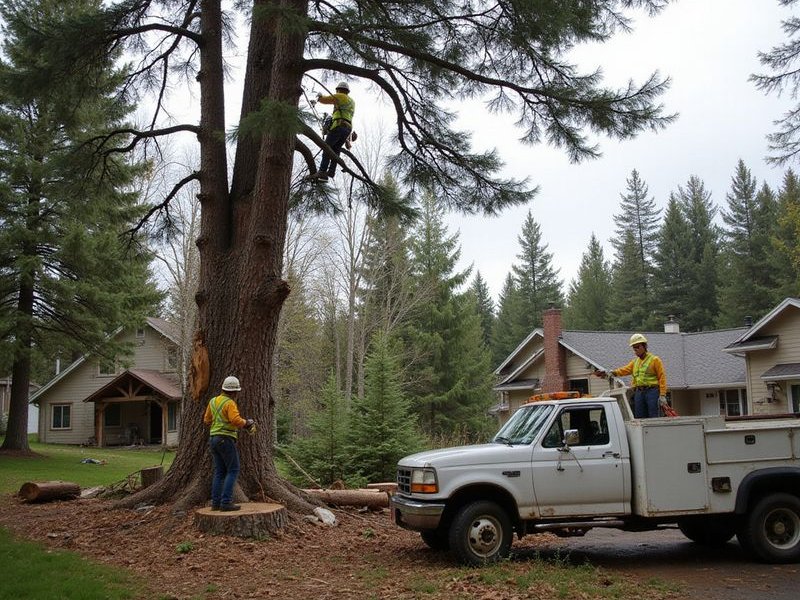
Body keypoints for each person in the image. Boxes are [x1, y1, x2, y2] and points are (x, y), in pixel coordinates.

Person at [203, 375, 255, 511]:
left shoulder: (213, 401)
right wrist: (247, 423)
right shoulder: (230, 403)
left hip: (213, 439)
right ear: (234, 391)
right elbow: (235, 420)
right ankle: (226, 502)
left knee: (220, 471)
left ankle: (216, 503)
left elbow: (207, 420)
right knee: (233, 470)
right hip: (225, 439)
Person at [593, 333, 668, 418]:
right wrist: (609, 372)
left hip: (652, 391)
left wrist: (662, 395)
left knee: (653, 415)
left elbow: (662, 377)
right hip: (639, 392)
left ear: (645, 346)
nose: (636, 349)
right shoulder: (635, 362)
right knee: (639, 417)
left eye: (638, 347)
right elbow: (623, 370)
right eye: (634, 347)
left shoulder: (655, 360)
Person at [312, 81, 355, 181]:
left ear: (338, 90)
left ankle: (322, 171)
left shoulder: (340, 96)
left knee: (327, 147)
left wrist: (319, 96)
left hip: (339, 126)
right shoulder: (352, 101)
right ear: (347, 91)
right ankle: (331, 171)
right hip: (347, 128)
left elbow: (324, 100)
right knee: (336, 150)